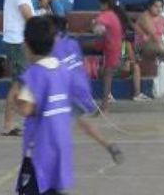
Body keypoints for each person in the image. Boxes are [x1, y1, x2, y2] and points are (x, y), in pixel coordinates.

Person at [15, 17, 93, 195]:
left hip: (39, 146)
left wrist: (18, 98)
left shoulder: (34, 75)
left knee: (35, 194)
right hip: (59, 139)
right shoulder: (61, 69)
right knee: (51, 190)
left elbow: (27, 108)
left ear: (27, 45)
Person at [50, 16, 124, 164]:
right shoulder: (71, 43)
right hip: (81, 87)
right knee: (81, 121)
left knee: (55, 124)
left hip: (68, 92)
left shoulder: (51, 50)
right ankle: (107, 144)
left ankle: (55, 156)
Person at [1, 0, 41, 137]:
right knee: (18, 85)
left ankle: (15, 121)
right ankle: (9, 124)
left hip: (16, 41)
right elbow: (29, 18)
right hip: (17, 43)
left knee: (21, 83)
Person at [93, 0, 134, 113]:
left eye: (100, 4)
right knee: (107, 75)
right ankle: (105, 104)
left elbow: (98, 30)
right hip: (116, 47)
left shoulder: (106, 15)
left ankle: (105, 104)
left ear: (105, 4)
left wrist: (94, 25)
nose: (99, 6)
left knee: (107, 76)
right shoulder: (116, 15)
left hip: (111, 49)